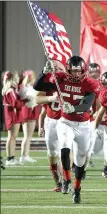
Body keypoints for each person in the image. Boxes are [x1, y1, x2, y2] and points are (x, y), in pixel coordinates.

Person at [34, 56, 98, 204]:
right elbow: (38, 87)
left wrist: (75, 108)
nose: (76, 74)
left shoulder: (90, 83)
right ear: (68, 70)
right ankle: (67, 180)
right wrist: (44, 73)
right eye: (73, 71)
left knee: (81, 160)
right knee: (64, 145)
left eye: (79, 71)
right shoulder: (60, 78)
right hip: (65, 122)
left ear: (83, 71)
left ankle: (77, 189)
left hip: (83, 125)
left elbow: (87, 104)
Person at [36, 60, 65, 191]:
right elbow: (37, 99)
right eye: (53, 67)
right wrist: (50, 99)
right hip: (51, 121)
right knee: (52, 153)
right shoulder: (48, 81)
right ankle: (58, 182)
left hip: (67, 121)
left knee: (65, 151)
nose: (56, 69)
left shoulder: (69, 80)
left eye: (58, 67)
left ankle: (67, 180)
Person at [2, 71, 27, 165]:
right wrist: (26, 100)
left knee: (13, 137)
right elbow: (15, 103)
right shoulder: (10, 90)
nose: (17, 80)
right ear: (11, 79)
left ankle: (11, 157)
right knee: (11, 137)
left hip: (13, 113)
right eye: (16, 78)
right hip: (12, 114)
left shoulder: (12, 89)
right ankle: (9, 158)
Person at [18, 70, 41, 164]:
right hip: (28, 110)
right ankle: (23, 156)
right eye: (32, 76)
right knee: (27, 136)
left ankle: (26, 155)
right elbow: (22, 97)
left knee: (29, 136)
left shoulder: (30, 86)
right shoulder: (24, 87)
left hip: (33, 109)